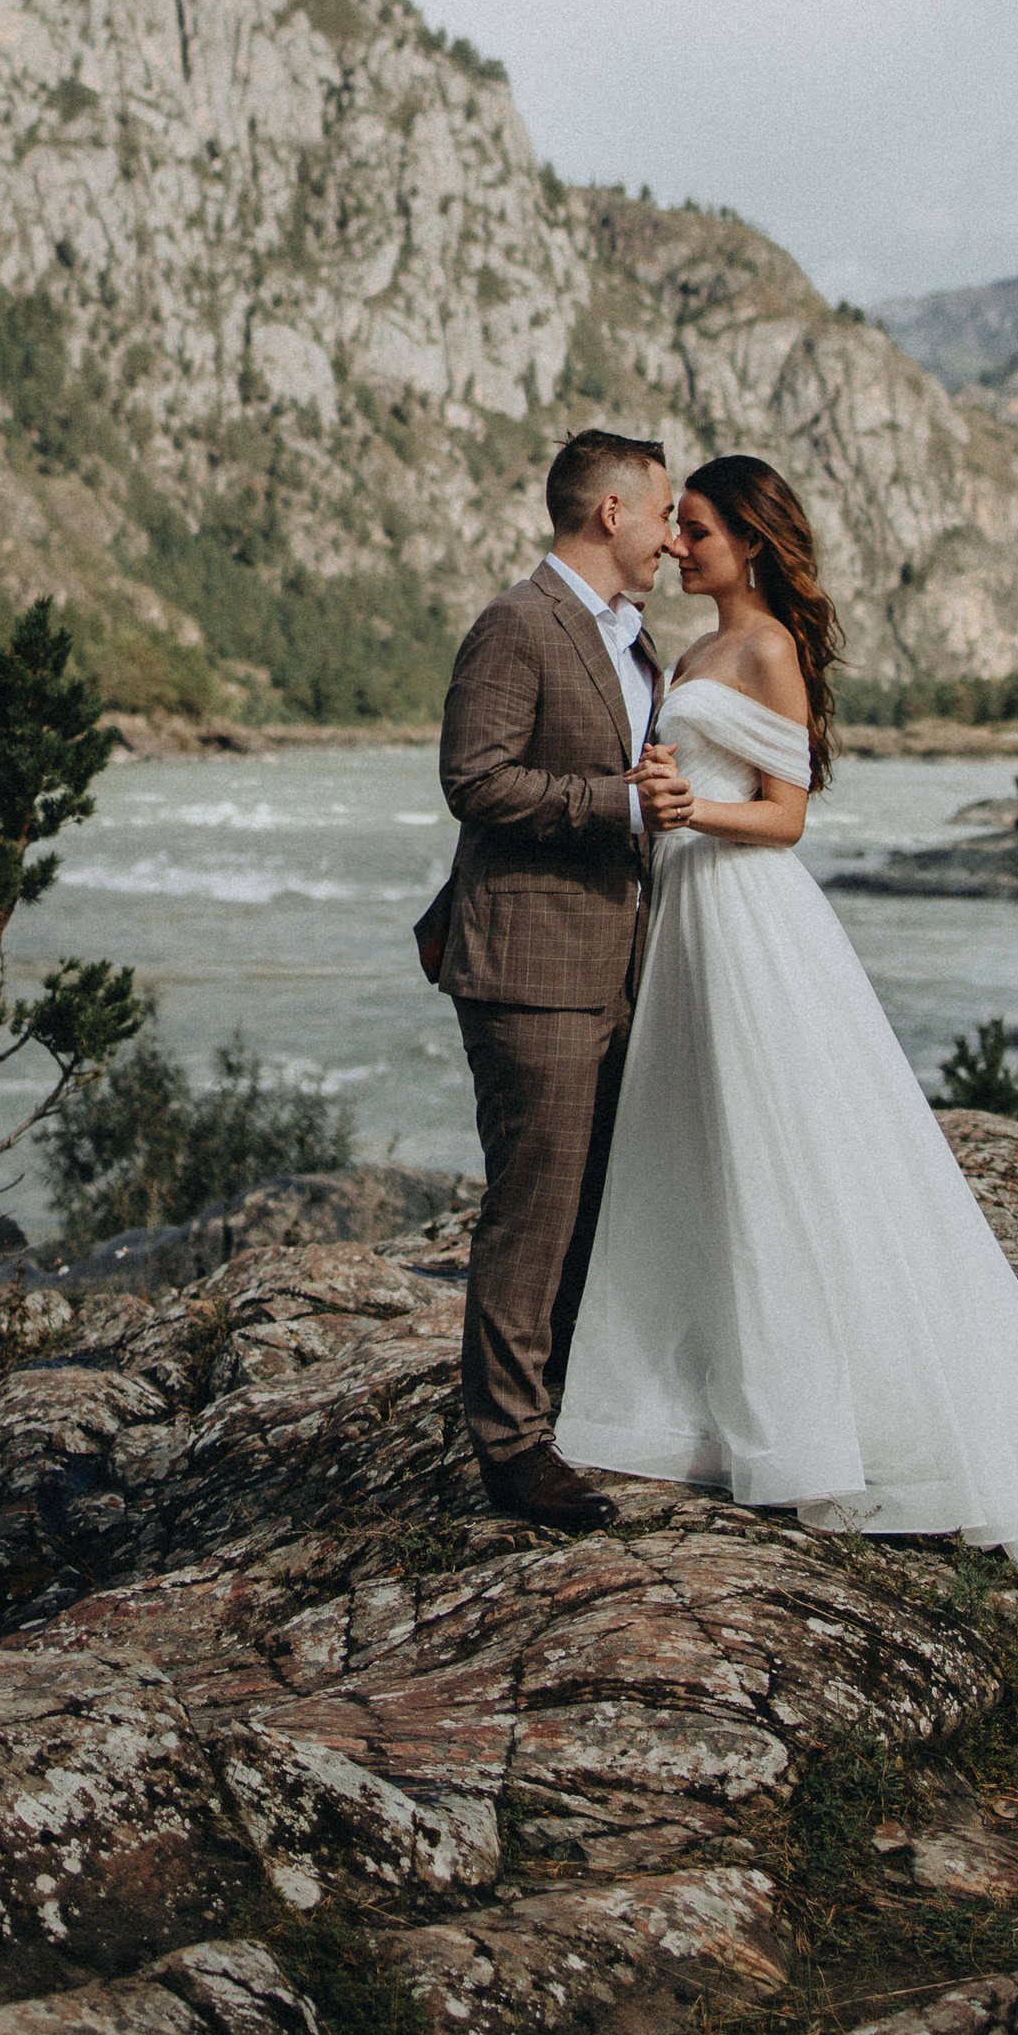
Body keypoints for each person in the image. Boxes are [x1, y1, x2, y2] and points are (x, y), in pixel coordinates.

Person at [554, 455, 1018, 1665]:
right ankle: (723, 1391)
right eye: (673, 529)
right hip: (687, 916)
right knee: (699, 1151)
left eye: (698, 531)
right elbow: (696, 783)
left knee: (785, 1151)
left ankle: (826, 1411)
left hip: (750, 911)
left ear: (752, 542)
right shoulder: (683, 661)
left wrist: (692, 812)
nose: (678, 547)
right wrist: (659, 795)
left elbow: (785, 815)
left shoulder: (771, 649)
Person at [422, 427, 690, 1531]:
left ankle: (573, 1405)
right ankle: (510, 1447)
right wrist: (617, 801)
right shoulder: (516, 625)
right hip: (530, 963)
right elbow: (473, 780)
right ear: (613, 513)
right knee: (532, 1211)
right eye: (666, 516)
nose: (675, 540)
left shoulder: (634, 645)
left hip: (621, 958)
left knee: (595, 1204)